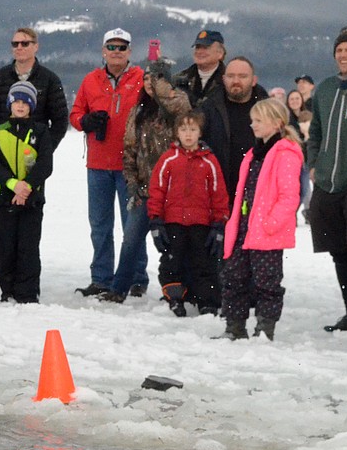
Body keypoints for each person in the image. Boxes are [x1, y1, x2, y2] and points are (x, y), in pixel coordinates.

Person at [0, 27, 70, 287]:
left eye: (25, 43)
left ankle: (25, 275)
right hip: (2, 154)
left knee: (29, 215)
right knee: (0, 216)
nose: (19, 47)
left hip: (32, 160)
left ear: (36, 46)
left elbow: (60, 119)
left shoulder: (49, 79)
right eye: (15, 43)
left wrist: (43, 150)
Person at [101, 59, 191, 304]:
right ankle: (119, 289)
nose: (151, 84)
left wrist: (163, 88)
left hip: (173, 191)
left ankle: (175, 291)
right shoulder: (139, 110)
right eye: (148, 79)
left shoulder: (177, 105)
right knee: (130, 241)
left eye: (157, 79)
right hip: (145, 189)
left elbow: (180, 108)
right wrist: (131, 180)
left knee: (173, 245)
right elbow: (129, 148)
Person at [216, 98, 303, 340]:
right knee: (233, 276)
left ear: (276, 123)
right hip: (244, 226)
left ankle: (265, 329)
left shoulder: (285, 153)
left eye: (258, 121)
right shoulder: (254, 154)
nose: (252, 125)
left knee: (267, 281)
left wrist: (270, 223)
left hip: (266, 231)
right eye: (252, 120)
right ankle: (234, 326)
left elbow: (289, 196)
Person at [68, 28, 145, 296]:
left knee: (132, 225)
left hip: (131, 166)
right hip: (98, 165)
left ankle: (136, 278)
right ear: (103, 51)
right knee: (100, 225)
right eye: (111, 47)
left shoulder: (142, 80)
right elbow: (75, 114)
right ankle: (101, 277)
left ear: (130, 52)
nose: (116, 52)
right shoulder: (91, 80)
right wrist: (85, 122)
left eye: (121, 48)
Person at [146, 111, 229, 316]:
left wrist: (219, 223)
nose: (188, 134)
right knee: (172, 262)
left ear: (200, 132)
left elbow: (219, 194)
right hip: (173, 221)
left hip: (201, 223)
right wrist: (156, 221)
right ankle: (175, 297)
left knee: (204, 263)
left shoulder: (210, 161)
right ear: (177, 133)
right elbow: (157, 190)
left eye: (193, 129)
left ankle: (207, 301)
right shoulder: (168, 159)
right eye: (183, 130)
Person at [306, 26, 347, 332]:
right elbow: (315, 133)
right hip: (328, 181)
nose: (343, 55)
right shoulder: (325, 89)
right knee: (339, 250)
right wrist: (314, 164)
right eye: (339, 50)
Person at [0, 81, 53, 303]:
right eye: (17, 102)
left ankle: (28, 294)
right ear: (10, 104)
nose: (21, 106)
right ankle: (8, 292)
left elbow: (45, 165)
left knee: (28, 248)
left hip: (32, 200)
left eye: (25, 102)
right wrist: (13, 184)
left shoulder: (41, 131)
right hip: (5, 200)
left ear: (32, 105)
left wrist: (27, 187)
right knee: (6, 247)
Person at [198, 56, 268, 195]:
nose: (236, 81)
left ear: (254, 80)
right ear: (224, 79)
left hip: (259, 192)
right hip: (217, 194)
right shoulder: (208, 109)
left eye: (242, 76)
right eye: (231, 76)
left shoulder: (268, 111)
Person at [173, 29, 226, 111]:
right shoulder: (179, 79)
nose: (199, 52)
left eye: (205, 47)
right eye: (197, 47)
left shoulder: (229, 81)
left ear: (220, 53)